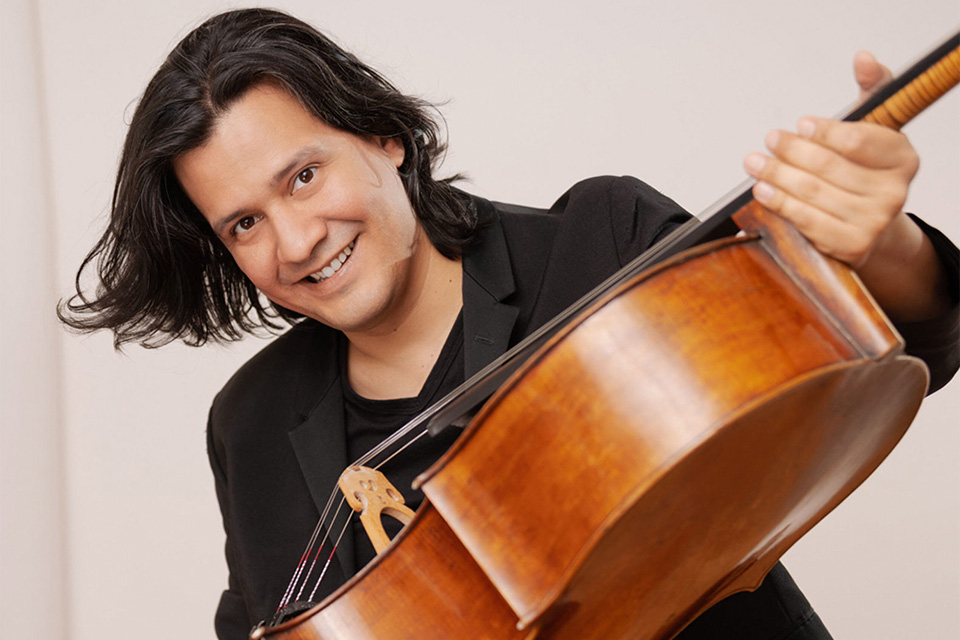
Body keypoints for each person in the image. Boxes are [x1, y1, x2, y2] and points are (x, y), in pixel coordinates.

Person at [59, 8, 959, 640]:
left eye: (302, 176)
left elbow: (895, 334)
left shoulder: (602, 244)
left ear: (382, 137)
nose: (295, 241)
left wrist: (884, 247)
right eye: (243, 224)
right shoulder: (248, 423)